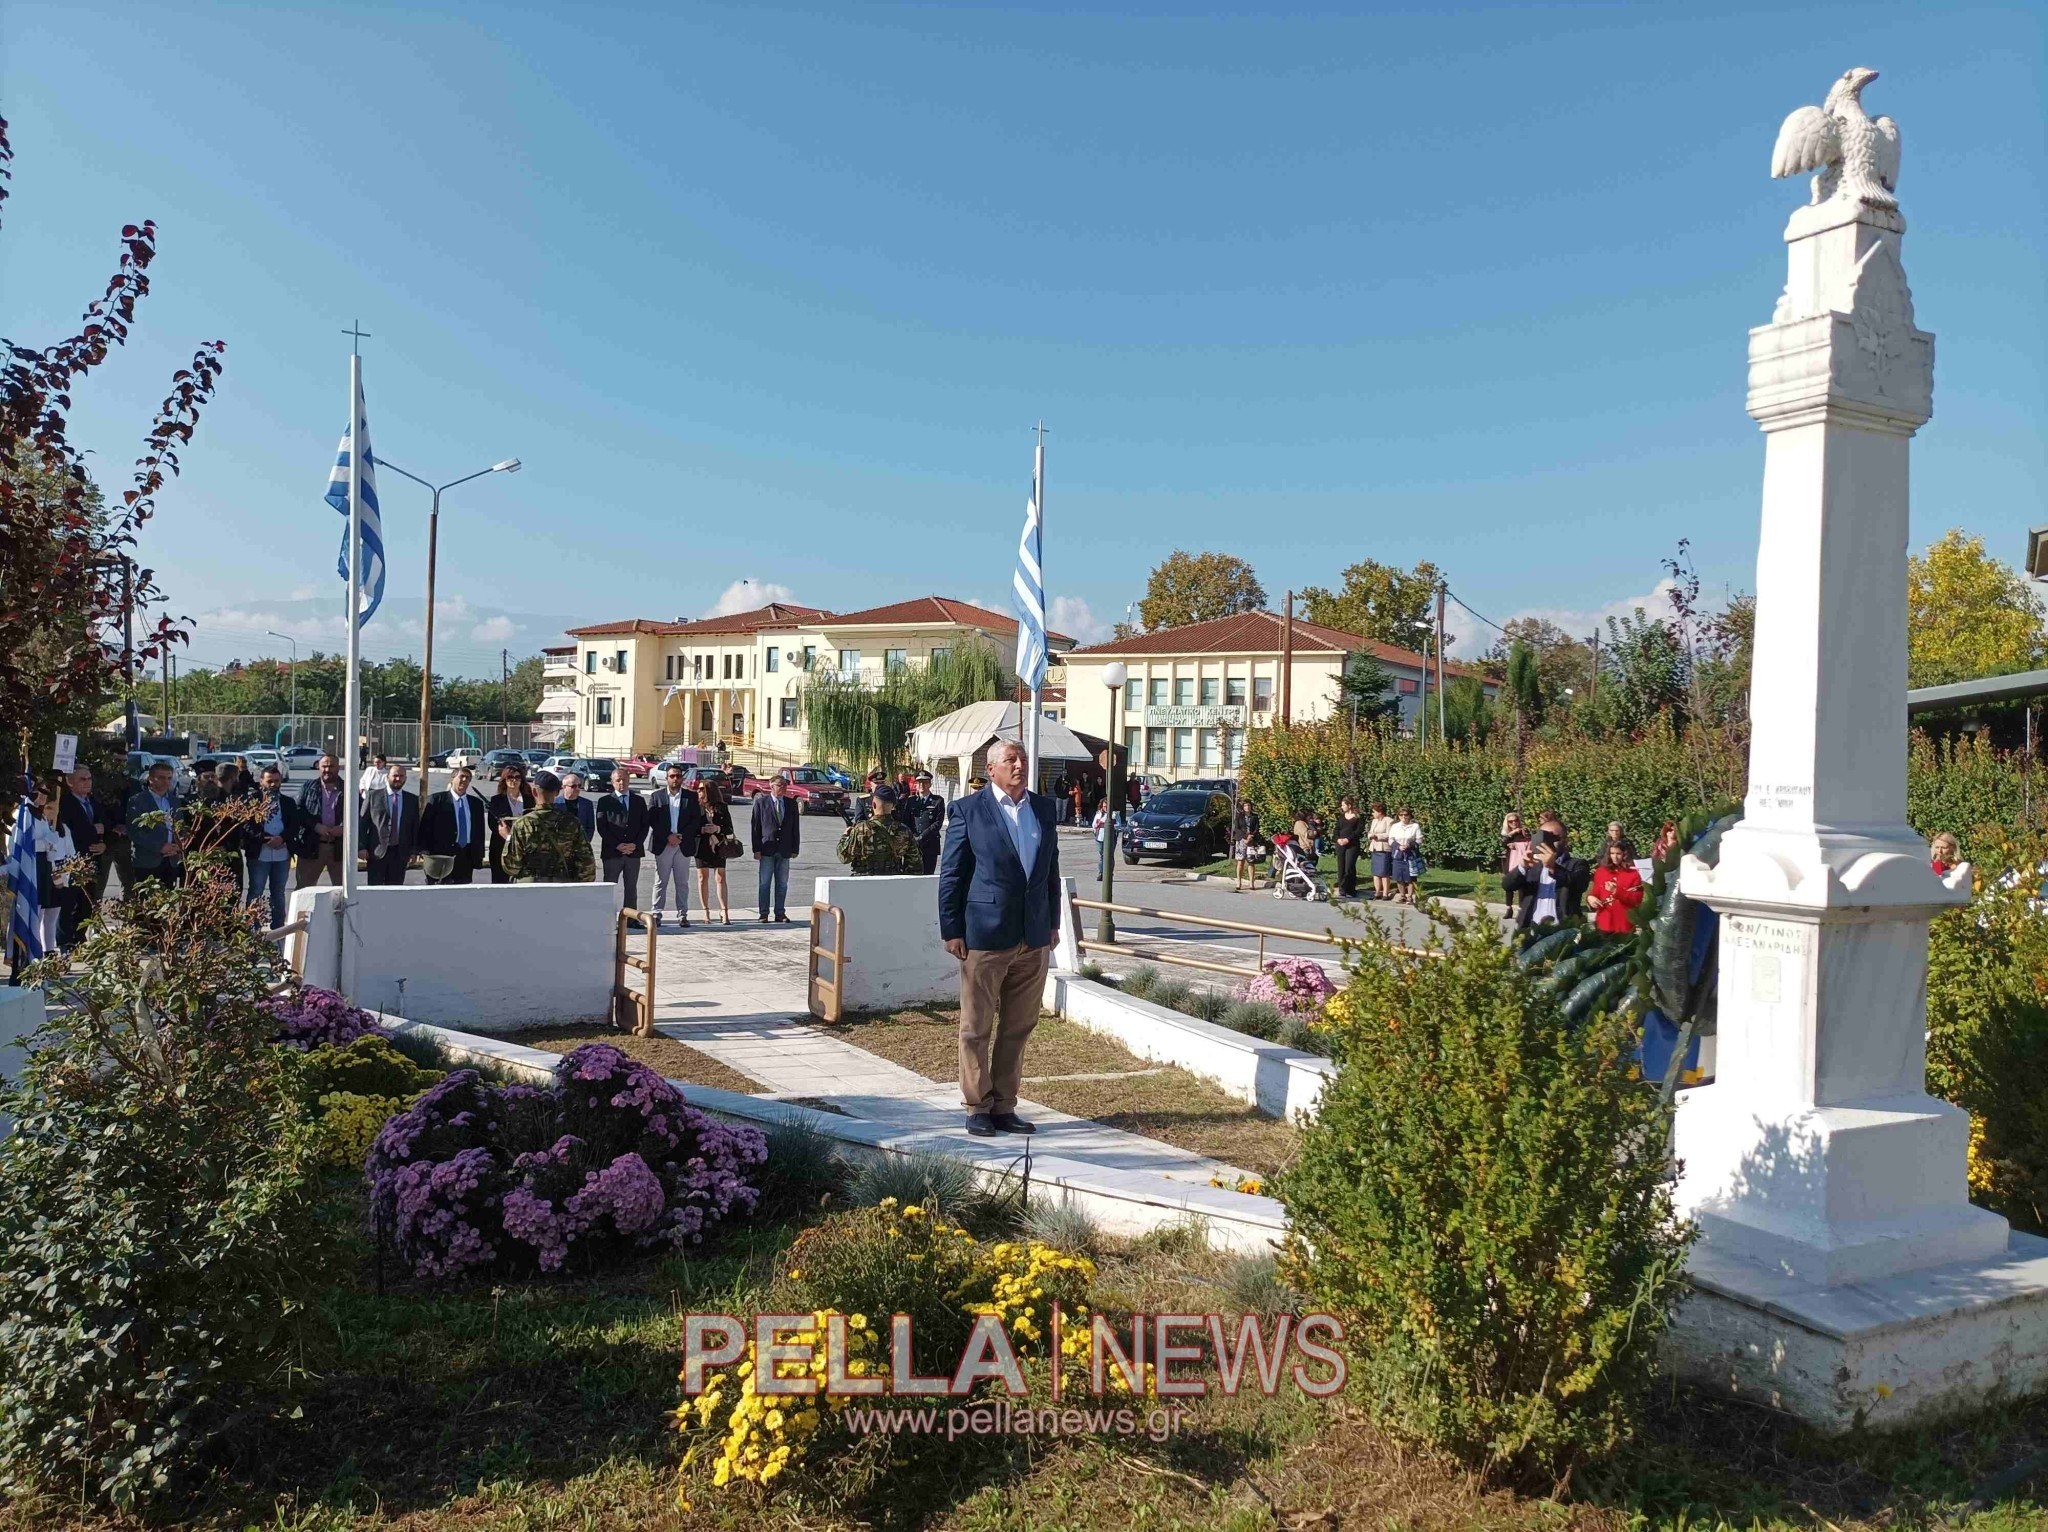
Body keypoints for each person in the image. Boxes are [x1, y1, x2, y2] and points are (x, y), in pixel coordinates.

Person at [937, 739, 1060, 1139]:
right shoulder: (969, 811)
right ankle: (977, 1105)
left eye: (1021, 758)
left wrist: (1052, 922)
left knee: (1019, 1026)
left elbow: (1050, 872)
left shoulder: (1041, 808)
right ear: (991, 769)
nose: (1019, 765)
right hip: (985, 936)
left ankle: (1005, 1106)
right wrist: (951, 928)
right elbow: (952, 874)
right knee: (976, 1027)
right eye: (1010, 760)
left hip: (1033, 935)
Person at [501, 771, 597, 883]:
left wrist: (508, 836)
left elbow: (511, 866)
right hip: (561, 886)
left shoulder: (523, 824)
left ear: (534, 792)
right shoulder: (572, 823)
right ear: (556, 793)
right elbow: (587, 864)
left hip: (529, 889)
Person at [56, 765, 112, 940]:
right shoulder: (65, 804)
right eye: (82, 779)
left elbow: (106, 826)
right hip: (74, 860)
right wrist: (93, 830)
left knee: (87, 904)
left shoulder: (94, 802)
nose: (88, 783)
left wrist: (104, 845)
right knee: (70, 903)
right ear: (70, 782)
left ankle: (80, 938)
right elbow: (70, 831)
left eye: (89, 779)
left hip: (93, 860)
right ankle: (66, 941)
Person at [242, 765, 302, 927]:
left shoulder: (288, 802)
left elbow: (294, 825)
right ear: (261, 781)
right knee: (256, 891)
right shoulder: (251, 802)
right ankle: (253, 928)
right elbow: (247, 826)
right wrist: (266, 839)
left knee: (278, 892)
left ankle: (278, 927)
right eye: (270, 781)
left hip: (282, 854)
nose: (273, 785)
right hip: (260, 853)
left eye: (276, 781)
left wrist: (282, 838)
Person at [645, 763, 702, 926]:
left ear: (682, 778)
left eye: (678, 776)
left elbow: (695, 820)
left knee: (682, 882)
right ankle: (656, 913)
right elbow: (653, 820)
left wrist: (680, 837)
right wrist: (668, 836)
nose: (675, 779)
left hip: (683, 845)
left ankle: (682, 914)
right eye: (672, 776)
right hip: (663, 844)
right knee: (660, 881)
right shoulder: (657, 796)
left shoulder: (690, 797)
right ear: (667, 778)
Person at [1502, 831, 1590, 933]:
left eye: (1549, 837)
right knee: (1512, 943)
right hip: (1530, 927)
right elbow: (1507, 886)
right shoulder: (1532, 865)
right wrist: (1522, 867)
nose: (1543, 840)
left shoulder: (1577, 864)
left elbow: (1579, 884)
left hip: (1561, 929)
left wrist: (1554, 868)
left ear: (1563, 840)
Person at [420, 764, 490, 885]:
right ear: (452, 779)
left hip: (466, 855)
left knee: (462, 892)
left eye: (468, 778)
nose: (465, 780)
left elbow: (479, 831)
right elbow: (425, 827)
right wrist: (423, 851)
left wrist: (479, 854)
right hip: (441, 856)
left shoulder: (476, 803)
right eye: (461, 776)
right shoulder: (437, 800)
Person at [30, 780, 77, 954]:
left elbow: (71, 852)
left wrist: (66, 873)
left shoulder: (63, 828)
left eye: (54, 809)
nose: (51, 812)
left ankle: (50, 950)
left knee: (53, 914)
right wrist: (48, 843)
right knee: (39, 913)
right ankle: (38, 949)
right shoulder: (38, 823)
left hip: (59, 874)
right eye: (48, 808)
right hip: (42, 872)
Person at [126, 760, 186, 887]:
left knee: (167, 902)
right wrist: (160, 847)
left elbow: (180, 827)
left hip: (171, 860)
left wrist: (179, 846)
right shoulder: (137, 801)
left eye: (169, 778)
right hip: (147, 861)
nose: (166, 782)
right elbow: (135, 832)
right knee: (147, 903)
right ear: (150, 778)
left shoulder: (175, 801)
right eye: (161, 778)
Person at [837, 784, 920, 876]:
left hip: (863, 884)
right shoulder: (904, 831)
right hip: (892, 883)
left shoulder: (861, 829)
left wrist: (845, 836)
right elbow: (915, 865)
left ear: (873, 804)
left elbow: (844, 857)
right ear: (893, 806)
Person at [751, 772, 802, 920]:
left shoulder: (791, 803)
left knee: (782, 884)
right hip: (767, 848)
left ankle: (780, 912)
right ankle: (764, 913)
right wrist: (757, 849)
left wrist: (795, 848)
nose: (784, 788)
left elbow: (795, 828)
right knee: (765, 883)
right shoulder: (761, 803)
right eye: (781, 785)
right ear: (772, 786)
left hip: (784, 849)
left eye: (785, 785)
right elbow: (756, 827)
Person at [360, 762, 419, 887]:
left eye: (401, 776)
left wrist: (414, 851)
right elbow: (362, 823)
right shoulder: (373, 796)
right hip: (377, 853)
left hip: (400, 853)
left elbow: (414, 827)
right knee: (374, 891)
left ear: (405, 778)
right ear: (387, 777)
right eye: (395, 775)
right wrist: (361, 847)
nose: (398, 779)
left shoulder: (412, 800)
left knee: (395, 893)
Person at [295, 753, 348, 888]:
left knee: (343, 891)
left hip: (340, 849)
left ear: (338, 767)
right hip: (312, 846)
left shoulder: (348, 789)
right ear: (319, 767)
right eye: (324, 766)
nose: (327, 770)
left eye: (331, 766)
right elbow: (298, 811)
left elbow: (359, 813)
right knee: (304, 890)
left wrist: (344, 828)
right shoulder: (308, 787)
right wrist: (315, 826)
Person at [596, 765, 650, 898]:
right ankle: (608, 917)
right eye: (618, 780)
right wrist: (617, 845)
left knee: (631, 889)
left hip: (633, 852)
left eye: (624, 779)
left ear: (629, 780)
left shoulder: (639, 801)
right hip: (612, 852)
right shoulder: (604, 801)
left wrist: (635, 844)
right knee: (609, 888)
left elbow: (644, 826)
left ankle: (631, 919)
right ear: (612, 782)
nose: (622, 783)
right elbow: (602, 827)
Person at [486, 760, 536, 885]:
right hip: (500, 848)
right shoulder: (496, 800)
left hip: (524, 850)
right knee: (500, 884)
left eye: (517, 777)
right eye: (510, 777)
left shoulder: (530, 800)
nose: (514, 780)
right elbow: (493, 825)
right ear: (504, 780)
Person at [694, 780, 737, 924]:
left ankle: (724, 911)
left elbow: (729, 828)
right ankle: (705, 911)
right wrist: (702, 829)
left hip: (718, 845)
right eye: (698, 789)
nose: (699, 791)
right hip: (701, 845)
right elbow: (689, 827)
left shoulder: (722, 807)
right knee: (702, 877)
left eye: (701, 789)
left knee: (720, 877)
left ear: (709, 791)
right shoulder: (696, 806)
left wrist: (717, 829)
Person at [1587, 839, 1646, 936]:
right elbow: (1595, 892)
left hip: (1624, 922)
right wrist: (1590, 898)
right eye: (1612, 853)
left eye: (1618, 853)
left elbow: (1637, 899)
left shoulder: (1634, 873)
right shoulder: (1601, 871)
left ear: (1625, 854)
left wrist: (1616, 891)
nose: (1614, 857)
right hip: (1604, 921)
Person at [898, 769, 946, 875]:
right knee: (910, 876)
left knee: (927, 876)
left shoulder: (938, 801)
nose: (921, 785)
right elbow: (906, 821)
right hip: (912, 844)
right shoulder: (910, 801)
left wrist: (922, 837)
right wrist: (914, 836)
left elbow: (937, 823)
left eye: (924, 782)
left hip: (930, 845)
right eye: (919, 782)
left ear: (930, 784)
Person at [1386, 805, 1423, 903]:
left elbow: (1419, 839)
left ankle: (1410, 896)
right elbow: (1390, 839)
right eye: (1401, 815)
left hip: (1410, 854)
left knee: (1410, 877)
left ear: (1410, 816)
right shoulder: (1395, 826)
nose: (1403, 817)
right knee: (1399, 876)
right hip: (1398, 854)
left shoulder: (1415, 826)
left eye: (1405, 815)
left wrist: (1409, 845)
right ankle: (1402, 895)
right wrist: (1398, 846)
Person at [1332, 796, 1366, 898]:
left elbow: (1358, 831)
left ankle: (1350, 888)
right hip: (1340, 844)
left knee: (1349, 867)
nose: (1341, 807)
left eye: (1343, 805)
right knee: (1341, 866)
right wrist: (1338, 839)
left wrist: (1348, 839)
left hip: (1352, 845)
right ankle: (1342, 888)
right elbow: (1336, 830)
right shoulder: (1341, 817)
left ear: (1349, 805)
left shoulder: (1357, 818)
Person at [1367, 801, 1394, 901]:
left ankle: (1386, 893)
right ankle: (1377, 892)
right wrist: (1370, 835)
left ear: (1380, 811)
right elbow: (1370, 832)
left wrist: (1377, 836)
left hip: (1384, 848)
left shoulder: (1389, 821)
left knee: (1384, 872)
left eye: (1374, 811)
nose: (1373, 813)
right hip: (1374, 847)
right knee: (1376, 872)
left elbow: (1389, 834)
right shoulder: (1374, 821)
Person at [557, 771, 596, 839]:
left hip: (581, 846)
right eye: (574, 786)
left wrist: (584, 844)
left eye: (579, 785)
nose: (577, 789)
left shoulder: (587, 804)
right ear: (564, 787)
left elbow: (590, 828)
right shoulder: (555, 803)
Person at [1501, 810, 1531, 876]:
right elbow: (1503, 843)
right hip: (1511, 860)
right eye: (1510, 821)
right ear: (1507, 823)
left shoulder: (1523, 831)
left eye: (1516, 820)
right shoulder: (1505, 834)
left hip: (1523, 859)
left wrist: (1517, 845)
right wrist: (1512, 832)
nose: (1514, 823)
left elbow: (1529, 842)